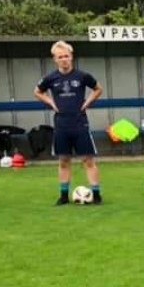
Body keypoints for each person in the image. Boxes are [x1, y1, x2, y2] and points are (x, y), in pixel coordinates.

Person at [33, 41, 104, 205]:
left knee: (88, 160)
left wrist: (88, 103)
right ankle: (64, 196)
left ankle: (96, 194)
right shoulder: (50, 78)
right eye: (60, 57)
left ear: (71, 57)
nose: (64, 59)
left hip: (80, 124)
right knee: (63, 160)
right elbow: (37, 92)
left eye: (66, 56)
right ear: (55, 59)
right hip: (61, 125)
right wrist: (50, 102)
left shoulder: (82, 76)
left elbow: (98, 89)